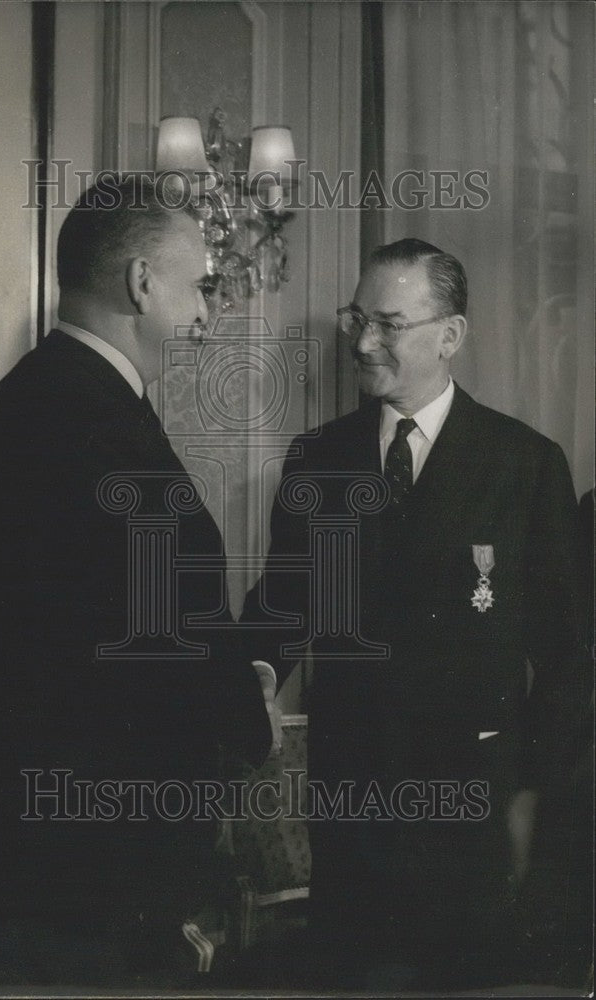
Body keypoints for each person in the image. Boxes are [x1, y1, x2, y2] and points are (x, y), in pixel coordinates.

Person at [0, 176, 273, 978]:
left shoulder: (48, 397)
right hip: (95, 866)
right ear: (140, 283)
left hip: (55, 847)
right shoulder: (88, 419)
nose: (205, 314)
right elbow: (151, 640)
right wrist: (245, 701)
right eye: (199, 287)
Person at [243, 238, 586, 989]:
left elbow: (569, 656)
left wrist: (531, 793)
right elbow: (282, 606)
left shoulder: (525, 464)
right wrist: (253, 677)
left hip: (474, 814)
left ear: (449, 336)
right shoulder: (319, 459)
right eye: (358, 319)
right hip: (351, 809)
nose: (363, 342)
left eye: (388, 324)